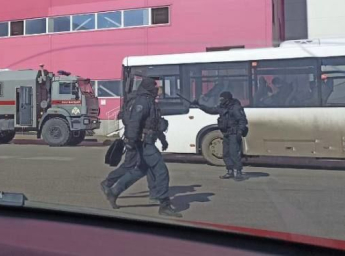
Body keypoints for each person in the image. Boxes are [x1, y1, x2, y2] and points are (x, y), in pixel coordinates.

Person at [100, 77, 182, 218]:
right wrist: (131, 140)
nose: (156, 89)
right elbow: (135, 122)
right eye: (154, 86)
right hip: (144, 144)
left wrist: (163, 139)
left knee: (140, 170)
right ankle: (164, 205)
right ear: (148, 87)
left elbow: (153, 124)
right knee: (161, 171)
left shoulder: (149, 100)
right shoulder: (143, 101)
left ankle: (114, 192)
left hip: (147, 141)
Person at [196, 91, 248, 180]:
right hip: (226, 133)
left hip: (234, 133)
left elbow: (242, 121)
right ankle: (230, 171)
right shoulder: (222, 107)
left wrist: (240, 131)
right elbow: (211, 110)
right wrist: (199, 105)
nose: (220, 100)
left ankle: (238, 172)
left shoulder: (235, 108)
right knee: (225, 153)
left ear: (227, 99)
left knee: (234, 153)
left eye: (222, 99)